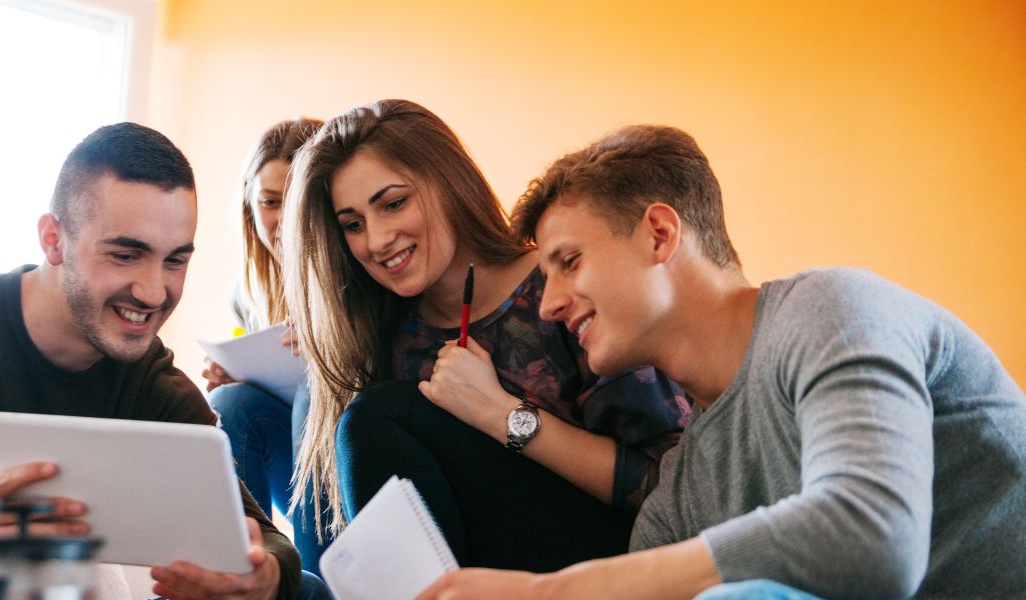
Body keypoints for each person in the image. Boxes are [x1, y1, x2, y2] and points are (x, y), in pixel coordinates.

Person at [419, 124, 1026, 599]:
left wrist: (553, 592)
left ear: (659, 234)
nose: (547, 305)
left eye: (569, 261)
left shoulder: (832, 309)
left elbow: (874, 538)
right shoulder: (680, 496)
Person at [0, 123, 327, 599]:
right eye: (125, 255)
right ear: (53, 240)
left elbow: (264, 537)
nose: (154, 292)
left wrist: (263, 579)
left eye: (175, 259)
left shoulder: (148, 375)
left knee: (305, 590)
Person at [281, 99, 689, 572]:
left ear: (449, 184)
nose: (376, 240)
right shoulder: (383, 332)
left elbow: (669, 486)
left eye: (394, 204)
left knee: (373, 417)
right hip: (476, 572)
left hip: (614, 565)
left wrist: (503, 416)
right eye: (353, 225)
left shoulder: (563, 288)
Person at [201, 117, 331, 574]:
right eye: (271, 202)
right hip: (293, 466)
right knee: (228, 402)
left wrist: (330, 349)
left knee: (317, 392)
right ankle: (245, 571)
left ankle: (316, 582)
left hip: (356, 473)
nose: (285, 219)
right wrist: (235, 373)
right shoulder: (250, 291)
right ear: (250, 207)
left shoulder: (364, 270)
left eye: (300, 201)